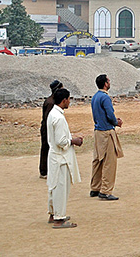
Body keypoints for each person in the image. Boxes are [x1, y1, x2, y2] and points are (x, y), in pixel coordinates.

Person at [47, 88, 83, 228]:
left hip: (55, 157)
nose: (69, 102)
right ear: (64, 100)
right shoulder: (59, 117)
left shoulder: (53, 113)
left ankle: (53, 213)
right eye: (68, 99)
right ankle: (59, 219)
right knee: (60, 188)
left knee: (53, 186)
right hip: (60, 159)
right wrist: (74, 141)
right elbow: (61, 141)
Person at [90, 74, 124, 201]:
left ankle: (95, 187)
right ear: (105, 84)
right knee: (109, 162)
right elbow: (110, 115)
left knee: (98, 160)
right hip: (106, 132)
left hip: (98, 131)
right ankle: (105, 191)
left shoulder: (95, 97)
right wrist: (116, 122)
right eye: (108, 81)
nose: (110, 82)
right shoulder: (105, 98)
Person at [40, 79, 64, 178]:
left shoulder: (53, 100)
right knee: (46, 148)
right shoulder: (51, 102)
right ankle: (44, 171)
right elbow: (48, 119)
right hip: (47, 129)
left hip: (49, 128)